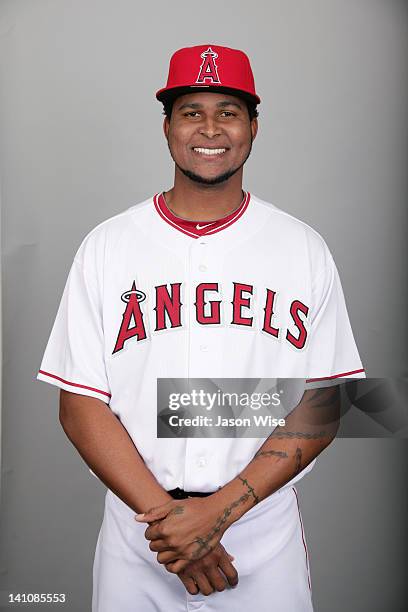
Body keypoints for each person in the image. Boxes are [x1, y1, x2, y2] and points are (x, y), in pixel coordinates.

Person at [37, 44, 365, 611]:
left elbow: (325, 402)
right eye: (191, 111)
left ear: (254, 127)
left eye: (228, 111)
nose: (209, 128)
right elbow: (79, 404)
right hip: (141, 538)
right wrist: (174, 526)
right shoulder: (107, 246)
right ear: (167, 126)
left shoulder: (302, 248)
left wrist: (218, 513)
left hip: (261, 538)